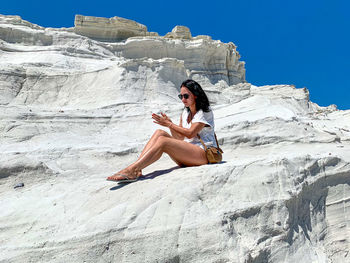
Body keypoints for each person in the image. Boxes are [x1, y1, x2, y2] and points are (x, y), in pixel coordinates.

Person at [107, 79, 219, 182]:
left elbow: (190, 134)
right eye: (181, 96)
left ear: (195, 95)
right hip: (189, 155)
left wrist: (169, 124)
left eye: (186, 96)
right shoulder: (185, 113)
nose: (183, 99)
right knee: (159, 133)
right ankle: (137, 169)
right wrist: (170, 125)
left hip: (204, 154)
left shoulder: (204, 112)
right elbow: (179, 138)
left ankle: (132, 169)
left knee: (163, 141)